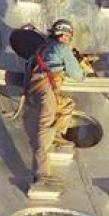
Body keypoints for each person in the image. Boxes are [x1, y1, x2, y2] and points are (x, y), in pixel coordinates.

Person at [25, 19, 94, 184]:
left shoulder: (45, 46)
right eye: (68, 36)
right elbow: (76, 75)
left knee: (67, 106)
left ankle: (56, 136)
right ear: (66, 35)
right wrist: (85, 70)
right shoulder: (62, 48)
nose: (68, 39)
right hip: (45, 87)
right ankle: (41, 172)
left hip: (37, 87)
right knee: (46, 124)